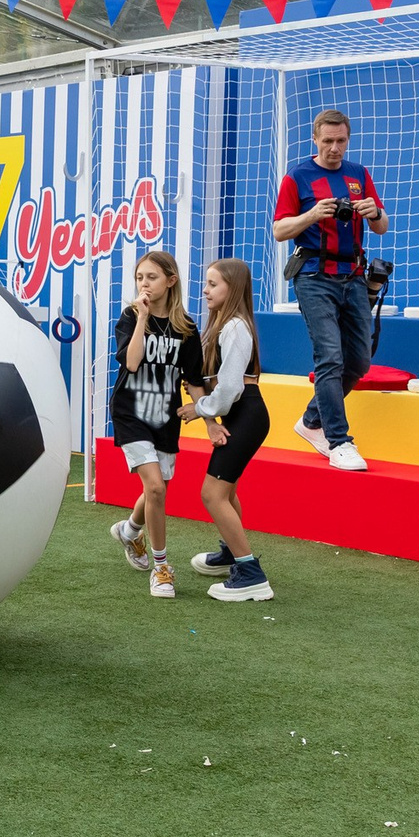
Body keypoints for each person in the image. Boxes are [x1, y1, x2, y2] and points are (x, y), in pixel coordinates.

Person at [272, 108, 388, 473]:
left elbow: (382, 226)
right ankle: (338, 441)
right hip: (312, 274)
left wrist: (373, 212)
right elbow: (279, 231)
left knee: (359, 361)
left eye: (341, 141)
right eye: (328, 141)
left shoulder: (359, 174)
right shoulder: (298, 177)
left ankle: (310, 421)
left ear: (347, 139)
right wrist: (312, 215)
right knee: (330, 357)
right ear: (315, 140)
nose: (335, 148)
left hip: (353, 274)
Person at [106, 250, 202, 598]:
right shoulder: (131, 316)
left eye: (152, 277)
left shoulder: (187, 328)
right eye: (140, 278)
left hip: (165, 417)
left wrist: (209, 416)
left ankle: (131, 531)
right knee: (157, 488)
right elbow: (131, 363)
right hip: (130, 412)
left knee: (157, 488)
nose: (144, 284)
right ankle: (162, 569)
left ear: (171, 281)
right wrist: (143, 319)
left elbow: (193, 381)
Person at [183, 258, 274, 605]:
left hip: (246, 412)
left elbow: (232, 386)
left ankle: (251, 574)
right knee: (227, 489)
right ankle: (232, 555)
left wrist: (201, 409)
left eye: (213, 284)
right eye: (206, 283)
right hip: (242, 414)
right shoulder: (228, 325)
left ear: (232, 288)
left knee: (212, 494)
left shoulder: (235, 326)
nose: (205, 290)